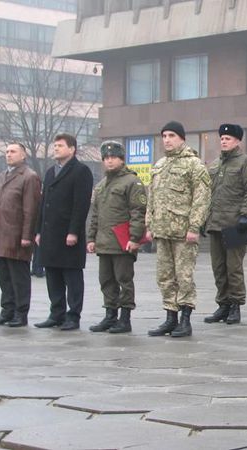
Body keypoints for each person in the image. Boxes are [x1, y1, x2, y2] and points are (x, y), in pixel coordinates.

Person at [146, 121, 211, 338]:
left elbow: (202, 199)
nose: (167, 140)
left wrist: (194, 226)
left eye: (172, 135)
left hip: (184, 232)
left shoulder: (194, 165)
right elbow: (151, 199)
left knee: (184, 276)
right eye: (164, 135)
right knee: (165, 276)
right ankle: (170, 318)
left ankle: (185, 320)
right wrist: (150, 225)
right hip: (163, 231)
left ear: (182, 138)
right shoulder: (159, 165)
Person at [203, 124, 247, 325]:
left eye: (228, 138)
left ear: (237, 141)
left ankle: (235, 305)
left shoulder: (246, 163)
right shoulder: (215, 165)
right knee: (218, 268)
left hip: (236, 224)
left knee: (233, 268)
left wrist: (246, 215)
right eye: (222, 138)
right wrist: (204, 219)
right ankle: (223, 305)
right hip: (216, 223)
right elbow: (207, 194)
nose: (224, 141)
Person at [86, 141, 147, 333]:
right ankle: (110, 315)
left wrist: (135, 238)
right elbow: (95, 214)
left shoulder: (132, 182)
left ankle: (125, 318)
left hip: (122, 242)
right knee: (106, 281)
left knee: (124, 280)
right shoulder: (101, 185)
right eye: (106, 158)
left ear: (122, 159)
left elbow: (138, 211)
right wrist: (91, 238)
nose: (109, 161)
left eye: (113, 157)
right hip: (104, 242)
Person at [34, 133, 94, 331]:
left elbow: (81, 204)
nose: (56, 149)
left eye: (60, 146)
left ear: (72, 149)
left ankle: (73, 315)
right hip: (50, 233)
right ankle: (56, 313)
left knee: (72, 277)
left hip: (68, 234)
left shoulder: (81, 171)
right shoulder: (51, 172)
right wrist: (39, 230)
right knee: (53, 275)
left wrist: (74, 231)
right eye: (55, 145)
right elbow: (44, 204)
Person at [0, 143, 42, 327]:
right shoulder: (2, 176)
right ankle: (7, 310)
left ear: (23, 155)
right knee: (4, 276)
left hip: (17, 235)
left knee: (19, 278)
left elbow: (30, 209)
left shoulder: (29, 176)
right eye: (7, 152)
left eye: (13, 152)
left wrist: (27, 235)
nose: (9, 155)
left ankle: (20, 313)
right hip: (0, 234)